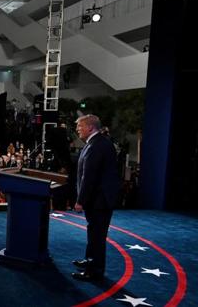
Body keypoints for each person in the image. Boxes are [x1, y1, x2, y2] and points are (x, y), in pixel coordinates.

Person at [72, 114, 120, 281]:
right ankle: (90, 261)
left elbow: (89, 177)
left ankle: (94, 271)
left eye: (80, 126)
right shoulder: (94, 143)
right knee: (94, 233)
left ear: (90, 127)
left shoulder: (98, 145)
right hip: (97, 199)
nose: (77, 129)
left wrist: (80, 201)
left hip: (99, 200)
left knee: (97, 236)